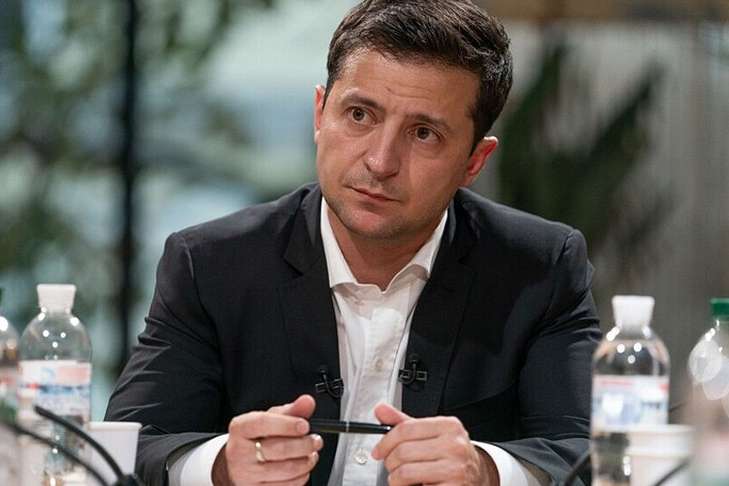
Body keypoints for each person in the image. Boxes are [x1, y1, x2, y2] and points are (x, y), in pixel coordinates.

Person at [106, 1, 601, 485]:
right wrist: (221, 466)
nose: (381, 162)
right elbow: (129, 446)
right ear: (320, 114)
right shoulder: (212, 265)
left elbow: (588, 453)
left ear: (474, 161)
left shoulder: (540, 270)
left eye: (423, 133)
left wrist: (485, 471)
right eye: (360, 115)